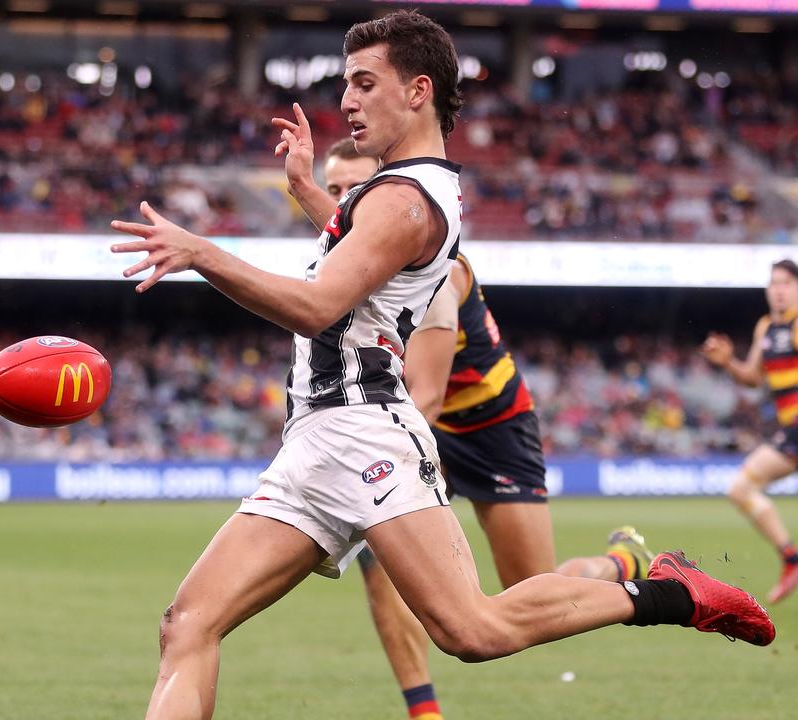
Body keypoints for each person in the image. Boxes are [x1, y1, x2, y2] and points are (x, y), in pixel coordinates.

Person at [109, 11, 773, 719]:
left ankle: (666, 591)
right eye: (346, 83)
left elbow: (316, 305)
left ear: (419, 90)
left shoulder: (402, 199)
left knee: (474, 631)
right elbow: (363, 253)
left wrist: (202, 251)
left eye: (366, 83)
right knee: (189, 624)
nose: (347, 101)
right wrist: (307, 190)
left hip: (367, 435)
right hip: (314, 441)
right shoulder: (403, 191)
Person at [274, 135, 656, 720]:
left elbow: (425, 395)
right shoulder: (356, 247)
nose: (344, 201)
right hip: (408, 423)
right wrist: (303, 185)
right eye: (334, 190)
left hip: (488, 423)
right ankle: (424, 713)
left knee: (531, 585)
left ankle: (621, 567)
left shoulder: (438, 270)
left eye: (357, 188)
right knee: (383, 567)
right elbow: (346, 233)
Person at [703, 258, 798, 604]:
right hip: (792, 432)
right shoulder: (766, 328)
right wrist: (728, 362)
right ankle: (791, 559)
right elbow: (754, 378)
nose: (779, 290)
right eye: (774, 284)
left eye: (786, 283)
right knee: (741, 488)